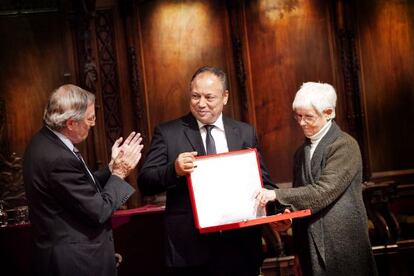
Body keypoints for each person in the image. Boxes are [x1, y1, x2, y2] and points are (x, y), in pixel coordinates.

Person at [138, 66, 276, 276]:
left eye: (209, 97)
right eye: (195, 96)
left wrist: (278, 212)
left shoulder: (245, 133)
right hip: (190, 249)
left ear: (225, 97)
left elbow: (263, 182)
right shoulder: (168, 133)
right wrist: (173, 170)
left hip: (240, 245)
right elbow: (145, 181)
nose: (201, 104)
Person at [256, 82, 378, 276]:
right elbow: (301, 200)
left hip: (342, 245)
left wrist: (275, 194)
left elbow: (322, 192)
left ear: (328, 112)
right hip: (308, 246)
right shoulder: (300, 153)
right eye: (298, 116)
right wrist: (288, 218)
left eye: (308, 117)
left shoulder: (345, 145)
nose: (302, 122)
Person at [23, 84, 144, 276]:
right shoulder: (57, 157)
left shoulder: (45, 141)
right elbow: (99, 211)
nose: (93, 124)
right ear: (71, 123)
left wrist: (111, 168)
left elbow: (78, 188)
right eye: (90, 118)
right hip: (75, 263)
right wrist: (120, 173)